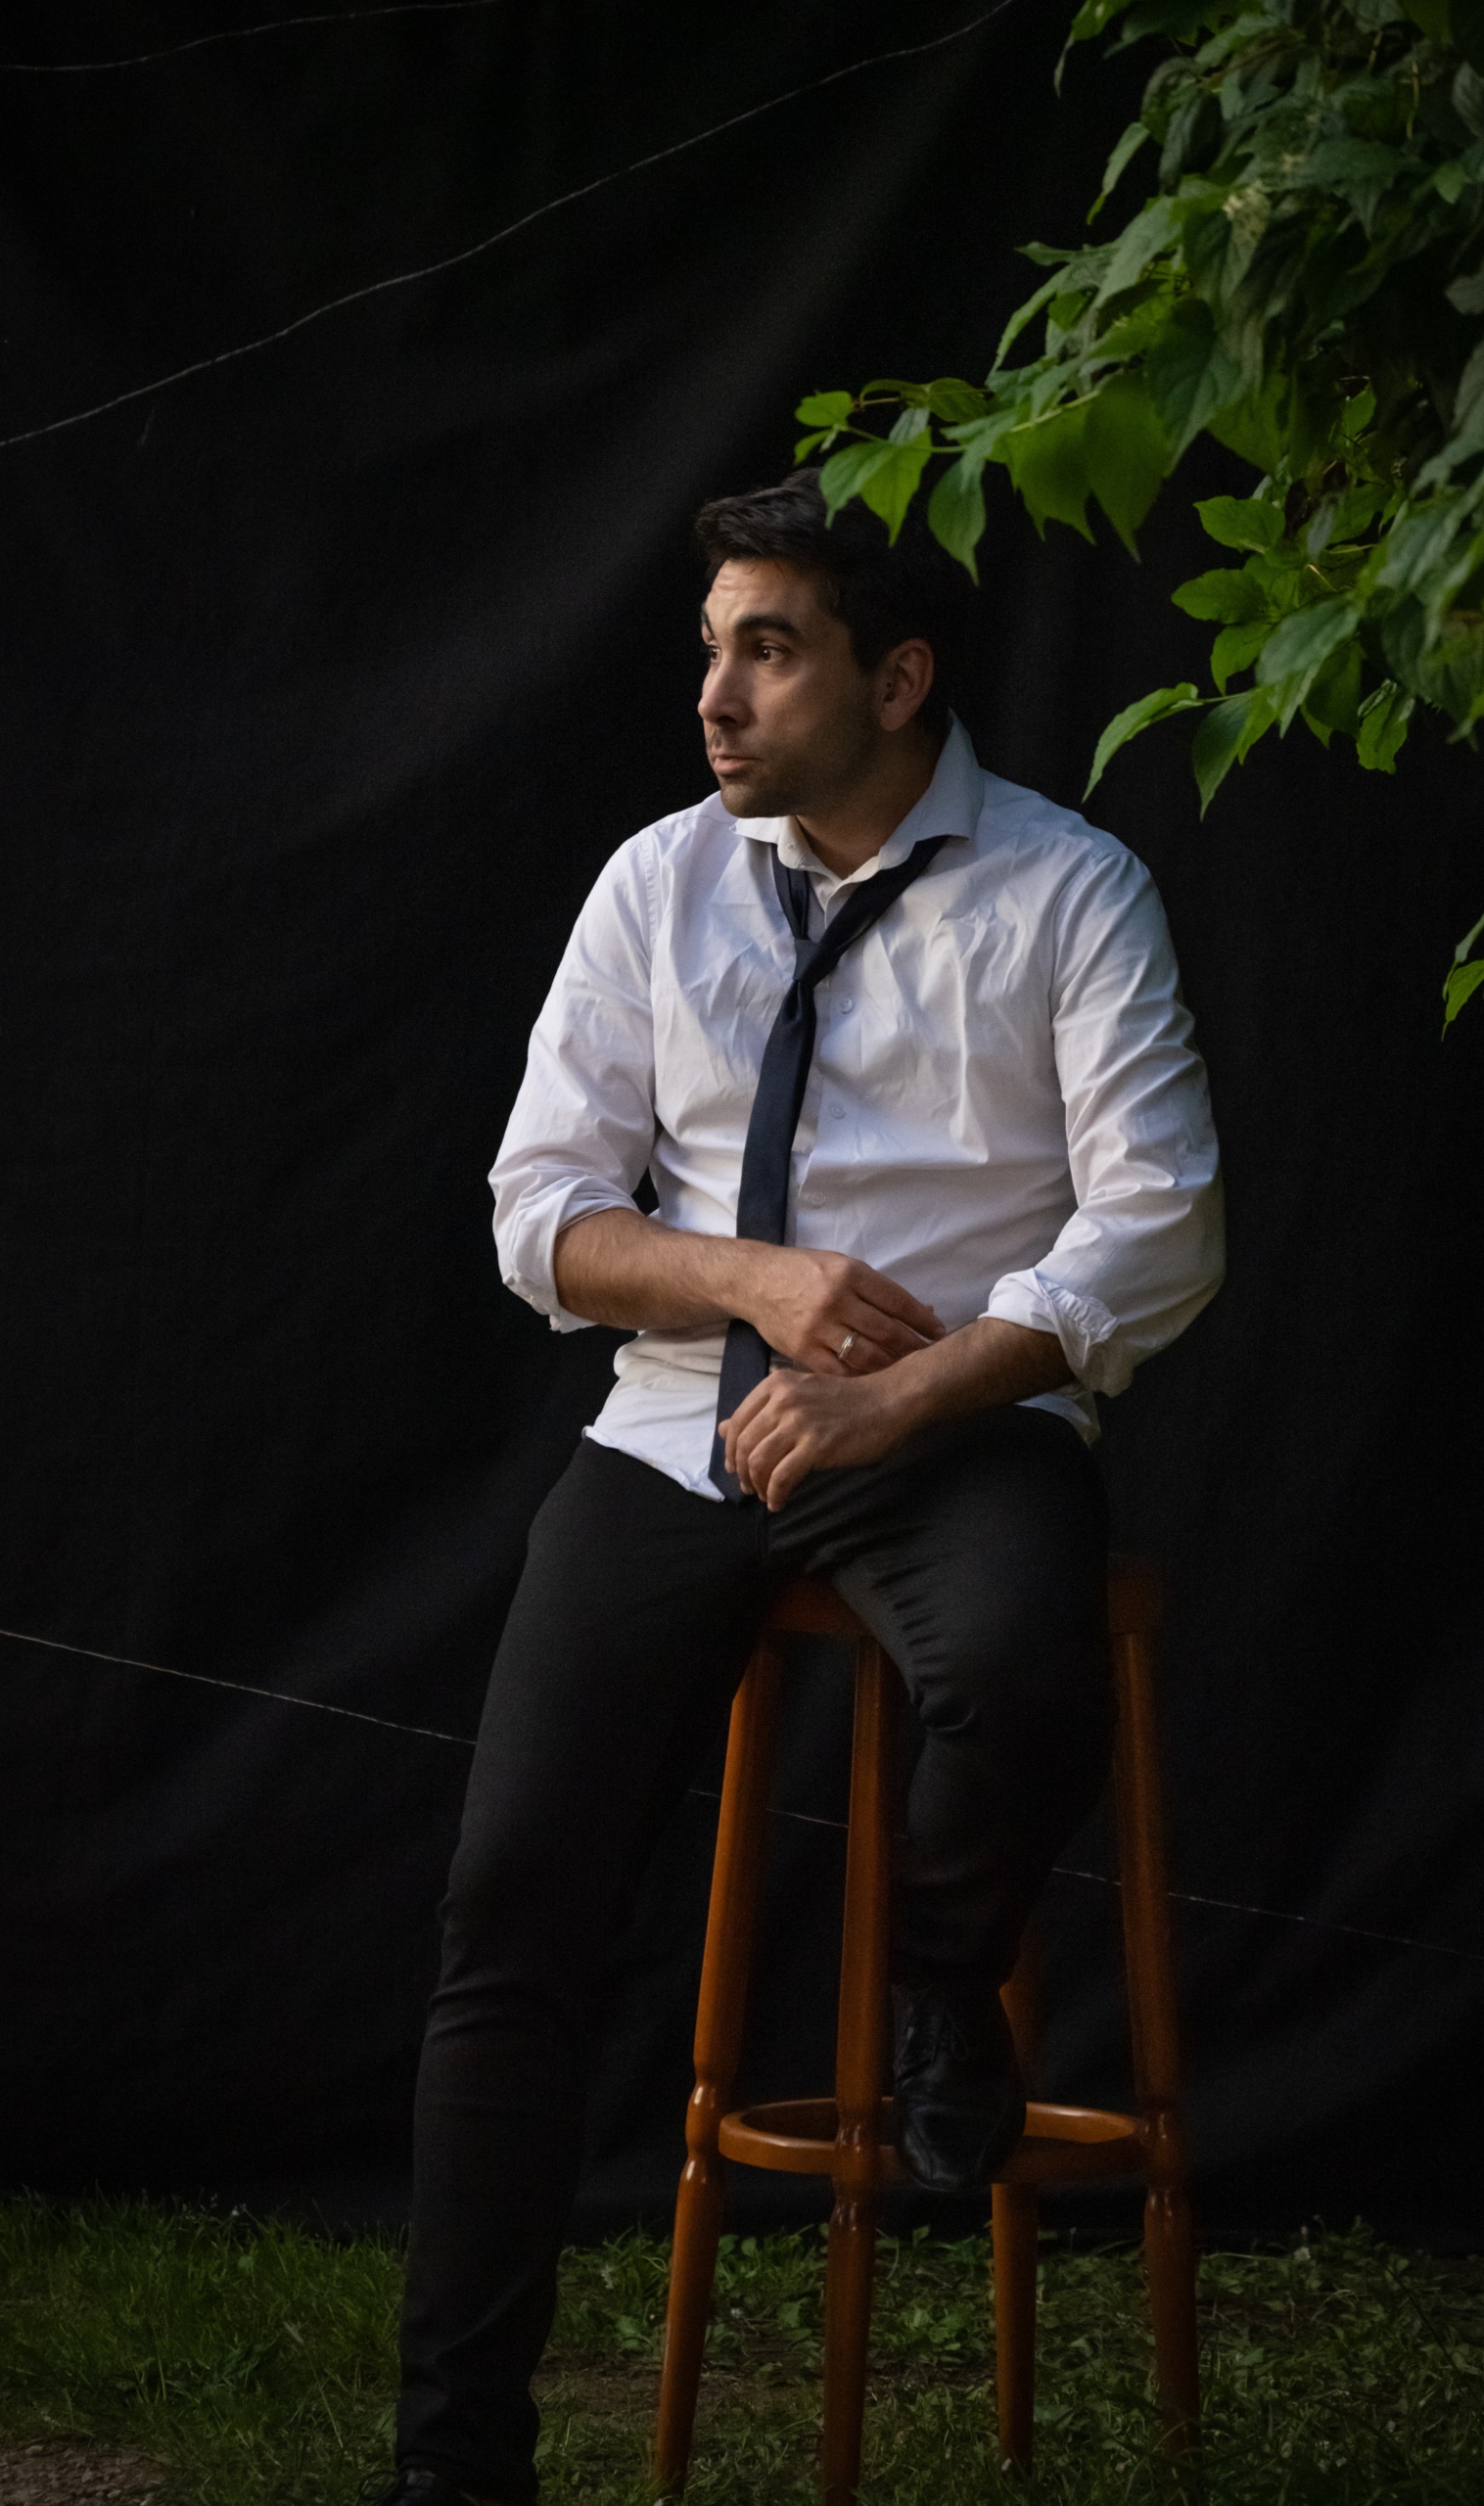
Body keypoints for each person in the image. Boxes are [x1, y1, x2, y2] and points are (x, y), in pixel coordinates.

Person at [375, 472, 1223, 2506]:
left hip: (953, 1425)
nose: (715, 695)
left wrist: (904, 1389)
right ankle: (453, 2463)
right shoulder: (655, 884)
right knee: (508, 1908)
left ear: (897, 678)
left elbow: (1161, 1224)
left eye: (767, 649)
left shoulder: (1069, 890)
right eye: (711, 649)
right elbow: (539, 1215)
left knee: (1015, 1677)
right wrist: (751, 1281)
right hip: (680, 1420)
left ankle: (940, 1979)